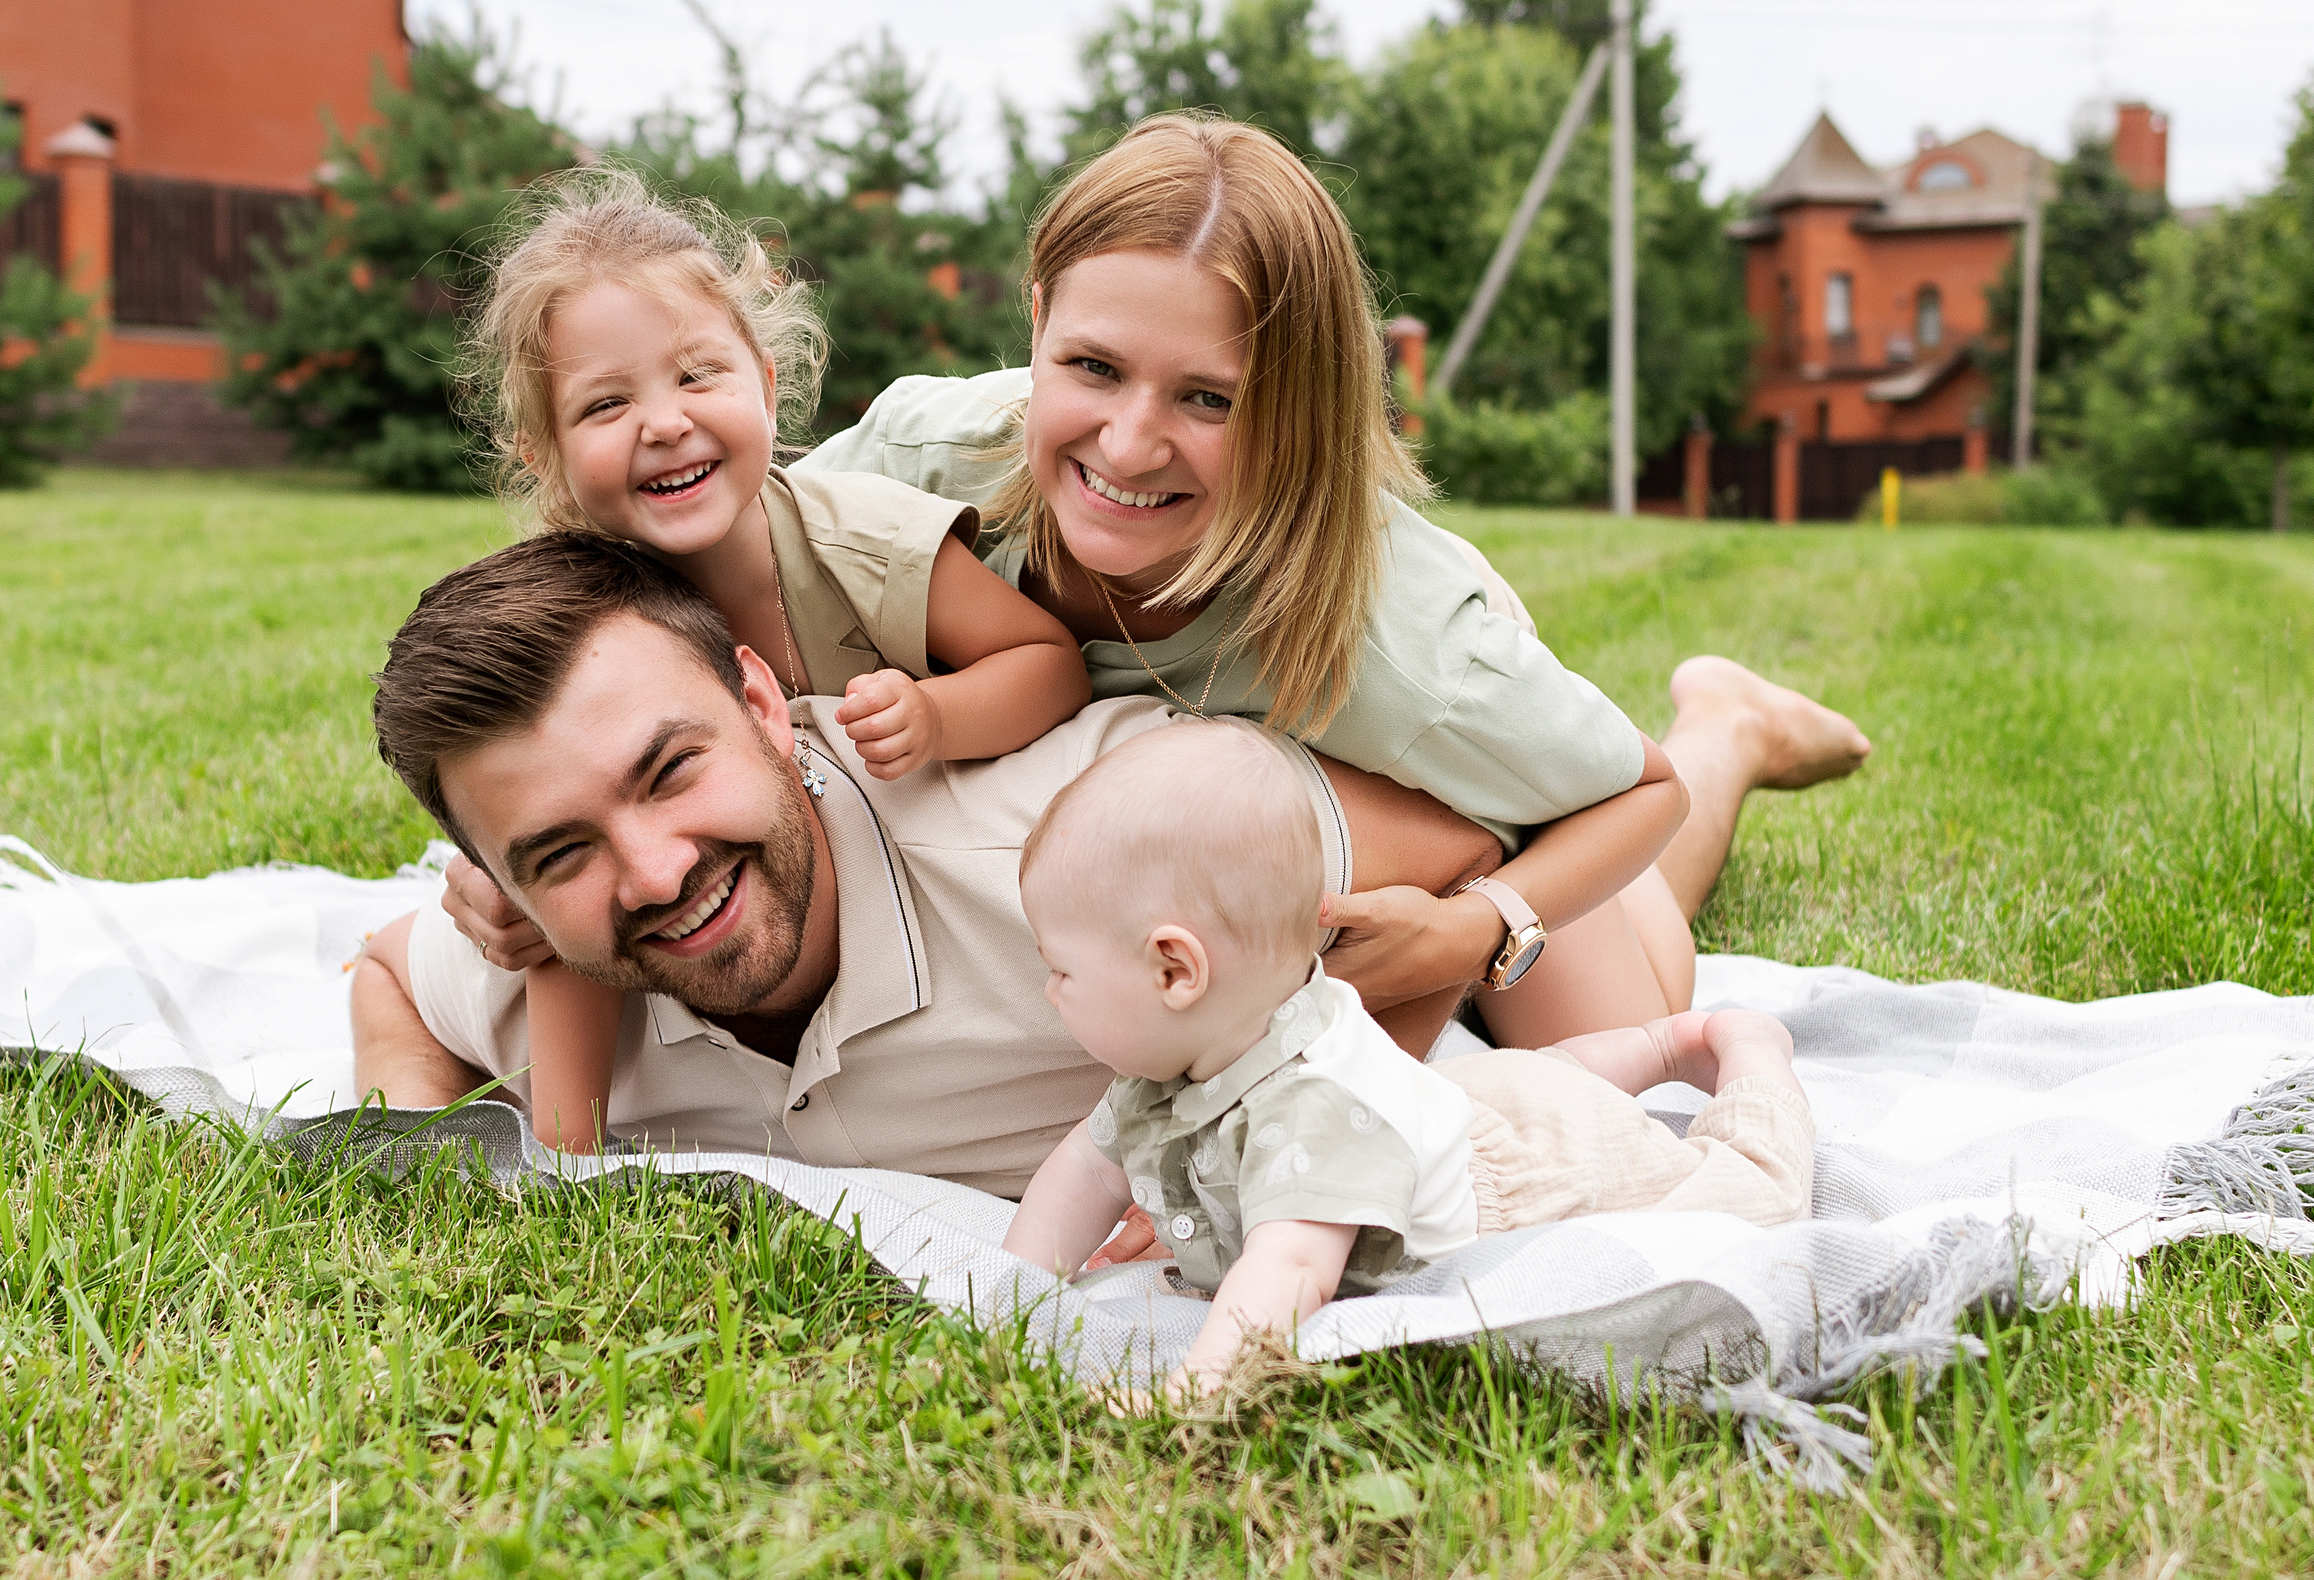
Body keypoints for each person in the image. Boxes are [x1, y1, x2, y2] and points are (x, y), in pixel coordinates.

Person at [792, 112, 1874, 1055]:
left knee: (1623, 1036)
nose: (1127, 445)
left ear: (1296, 405)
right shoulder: (928, 462)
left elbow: (1635, 796)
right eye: (1091, 367)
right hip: (1336, 813)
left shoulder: (1397, 651)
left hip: (1471, 777)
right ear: (1036, 322)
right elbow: (745, 548)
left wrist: (1481, 924)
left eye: (1208, 400)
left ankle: (1728, 728)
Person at [352, 531, 1508, 1191]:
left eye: (668, 771)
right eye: (559, 852)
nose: (653, 873)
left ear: (764, 704)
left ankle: (1703, 724)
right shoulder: (555, 980)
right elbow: (390, 976)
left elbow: (1459, 836)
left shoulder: (1088, 833)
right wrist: (417, 1132)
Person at [458, 169, 1091, 1150]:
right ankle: (566, 1150)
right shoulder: (578, 612)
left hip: (913, 907)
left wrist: (937, 717)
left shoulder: (858, 539)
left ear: (766, 376)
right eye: (604, 404)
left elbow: (1046, 661)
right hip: (712, 910)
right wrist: (503, 881)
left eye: (696, 375)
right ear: (543, 455)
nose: (662, 421)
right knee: (565, 864)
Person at [1001, 722, 1813, 1401]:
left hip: (1524, 1184)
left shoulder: (1309, 1104)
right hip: (1442, 1113)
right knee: (1528, 1083)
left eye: (1062, 970)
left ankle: (1740, 1051)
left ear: (1176, 970)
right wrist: (1011, 1295)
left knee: (1743, 1192)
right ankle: (1658, 1045)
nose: (1049, 990)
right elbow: (1085, 1170)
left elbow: (1291, 1266)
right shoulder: (1168, 1066)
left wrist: (1201, 1383)